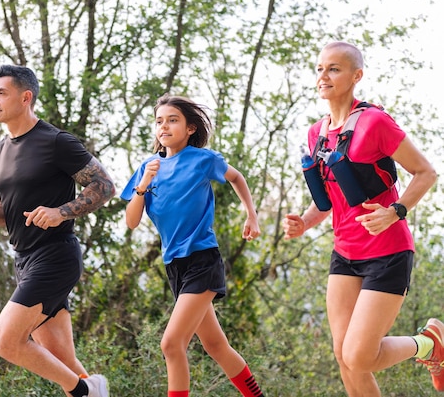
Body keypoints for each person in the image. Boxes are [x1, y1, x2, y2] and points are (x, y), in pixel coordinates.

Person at [282, 41, 441, 396]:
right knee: (344, 357)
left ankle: (429, 343)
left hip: (387, 252)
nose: (324, 75)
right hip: (345, 255)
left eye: (334, 69)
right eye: (321, 68)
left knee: (359, 355)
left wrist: (395, 212)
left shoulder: (374, 122)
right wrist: (304, 223)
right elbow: (326, 203)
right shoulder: (316, 133)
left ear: (357, 76)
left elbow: (426, 172)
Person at [0, 65, 115, 397]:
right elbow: (15, 213)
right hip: (25, 260)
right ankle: (90, 390)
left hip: (56, 256)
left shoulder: (55, 141)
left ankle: (84, 391)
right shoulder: (0, 150)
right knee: (65, 363)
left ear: (25, 97)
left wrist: (61, 212)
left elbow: (104, 186)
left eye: (0, 93)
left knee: (5, 341)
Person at [121, 94, 265, 397]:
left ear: (189, 128)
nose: (164, 126)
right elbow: (132, 221)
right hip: (174, 266)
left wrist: (251, 215)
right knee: (216, 345)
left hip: (202, 260)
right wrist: (143, 184)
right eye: (159, 121)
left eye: (173, 120)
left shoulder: (203, 160)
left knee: (171, 344)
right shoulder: (148, 167)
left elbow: (237, 178)